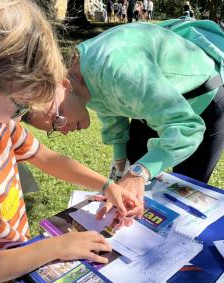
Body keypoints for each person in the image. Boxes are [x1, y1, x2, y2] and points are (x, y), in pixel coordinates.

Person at [0, 0, 140, 283]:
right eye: (18, 107)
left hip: (19, 255)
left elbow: (47, 158)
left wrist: (106, 185)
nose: (18, 118)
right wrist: (57, 247)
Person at [25, 22, 224, 213]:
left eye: (58, 119)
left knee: (184, 189)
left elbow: (187, 128)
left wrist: (139, 173)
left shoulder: (118, 69)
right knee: (134, 181)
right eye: (54, 129)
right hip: (152, 103)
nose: (65, 130)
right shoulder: (78, 82)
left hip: (204, 97)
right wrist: (121, 164)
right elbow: (111, 109)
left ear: (64, 84)